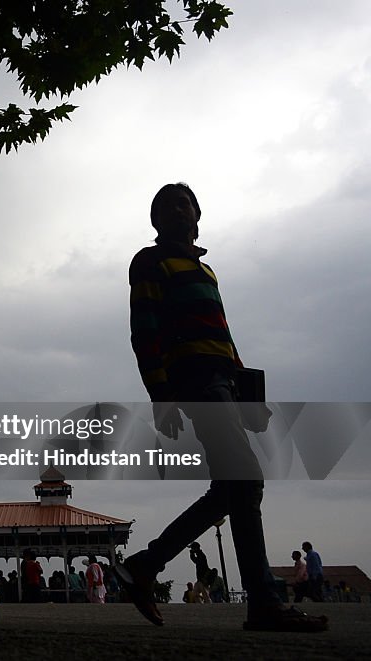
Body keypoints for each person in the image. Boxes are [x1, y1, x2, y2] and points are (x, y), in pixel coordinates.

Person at [117, 183, 327, 632]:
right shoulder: (150, 262)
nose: (177, 210)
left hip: (223, 383)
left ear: (197, 215)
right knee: (245, 481)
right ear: (155, 221)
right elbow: (145, 329)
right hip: (194, 381)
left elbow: (225, 339)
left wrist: (246, 392)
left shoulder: (206, 271)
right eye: (167, 205)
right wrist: (161, 394)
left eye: (185, 203)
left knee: (232, 489)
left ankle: (143, 566)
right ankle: (264, 603)